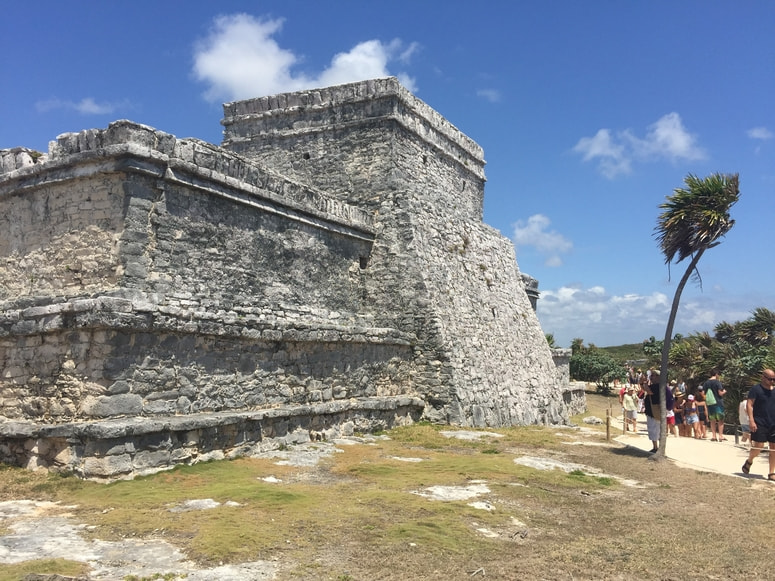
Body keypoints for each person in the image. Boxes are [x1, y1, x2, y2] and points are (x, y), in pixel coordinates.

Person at [741, 369, 775, 479]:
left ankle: (771, 472)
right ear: (763, 377)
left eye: (774, 379)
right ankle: (749, 461)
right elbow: (749, 405)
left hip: (773, 422)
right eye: (770, 379)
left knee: (773, 448)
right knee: (759, 445)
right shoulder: (756, 390)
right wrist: (751, 420)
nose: (772, 381)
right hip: (759, 422)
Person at [643, 371, 674, 453]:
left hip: (655, 411)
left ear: (658, 377)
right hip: (657, 411)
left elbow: (649, 391)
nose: (651, 377)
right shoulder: (662, 386)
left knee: (654, 429)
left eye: (653, 375)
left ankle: (656, 447)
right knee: (657, 429)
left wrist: (645, 383)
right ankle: (658, 447)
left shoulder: (657, 386)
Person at [703, 370, 727, 441]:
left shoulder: (706, 383)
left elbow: (703, 393)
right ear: (716, 374)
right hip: (718, 402)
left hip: (710, 403)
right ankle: (720, 436)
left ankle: (714, 436)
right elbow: (720, 393)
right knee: (720, 419)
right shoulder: (717, 382)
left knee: (712, 420)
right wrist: (724, 392)